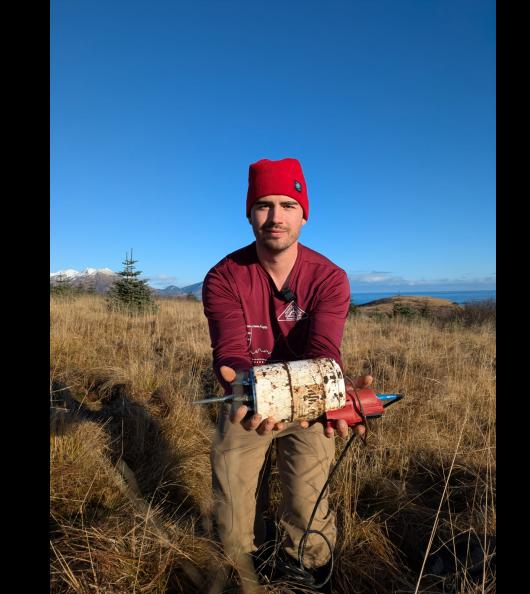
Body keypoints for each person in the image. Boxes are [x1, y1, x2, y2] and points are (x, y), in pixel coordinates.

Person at [202, 157, 372, 589]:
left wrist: (334, 393)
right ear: (249, 212)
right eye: (263, 205)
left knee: (307, 498)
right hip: (247, 404)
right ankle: (243, 570)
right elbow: (232, 352)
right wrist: (240, 387)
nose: (275, 217)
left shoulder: (329, 278)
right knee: (233, 503)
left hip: (311, 406)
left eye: (287, 204)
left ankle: (310, 572)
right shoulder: (224, 277)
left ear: (303, 213)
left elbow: (324, 351)